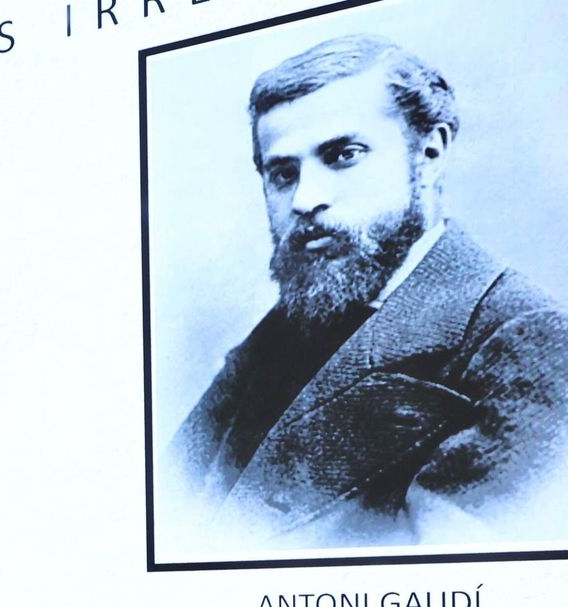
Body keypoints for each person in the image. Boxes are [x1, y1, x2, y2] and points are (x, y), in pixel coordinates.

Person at [169, 34, 568, 550]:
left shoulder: (526, 338)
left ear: (429, 152)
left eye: (343, 156)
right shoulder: (287, 328)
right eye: (283, 174)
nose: (306, 200)